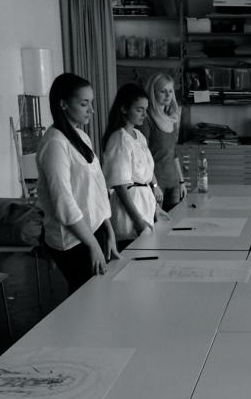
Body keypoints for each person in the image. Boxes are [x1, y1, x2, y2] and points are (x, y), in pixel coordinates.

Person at [37, 73, 119, 295]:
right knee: (86, 299)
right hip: (74, 240)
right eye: (84, 104)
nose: (91, 110)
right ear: (63, 104)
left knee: (99, 297)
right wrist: (92, 244)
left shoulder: (81, 136)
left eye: (91, 103)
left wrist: (108, 230)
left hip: (93, 231)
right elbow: (64, 203)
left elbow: (97, 189)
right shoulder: (55, 143)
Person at [102, 83, 162, 252]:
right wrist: (137, 220)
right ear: (124, 109)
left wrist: (156, 206)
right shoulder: (119, 138)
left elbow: (147, 174)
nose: (145, 114)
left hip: (145, 204)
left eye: (146, 110)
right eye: (139, 110)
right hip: (130, 210)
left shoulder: (139, 136)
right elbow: (120, 185)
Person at [142, 72, 186, 211]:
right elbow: (143, 156)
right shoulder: (146, 119)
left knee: (176, 222)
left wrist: (182, 181)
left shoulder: (172, 118)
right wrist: (154, 185)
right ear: (153, 92)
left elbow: (173, 153)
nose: (168, 95)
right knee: (159, 223)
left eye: (170, 91)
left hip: (174, 184)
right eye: (163, 91)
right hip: (156, 185)